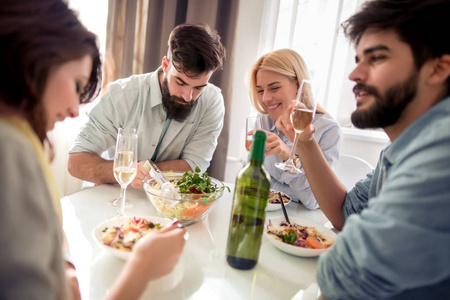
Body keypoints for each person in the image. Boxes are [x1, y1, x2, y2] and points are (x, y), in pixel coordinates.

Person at [0, 1, 186, 299]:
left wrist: (63, 264)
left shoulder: (23, 139)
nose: (75, 110)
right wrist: (142, 267)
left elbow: (37, 230)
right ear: (37, 60)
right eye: (76, 84)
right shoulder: (10, 149)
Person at [276, 0, 450, 298]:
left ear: (438, 68)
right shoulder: (397, 149)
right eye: (358, 59)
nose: (354, 74)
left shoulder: (442, 145)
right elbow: (346, 213)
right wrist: (305, 141)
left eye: (377, 58)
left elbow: (350, 275)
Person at [67, 23, 226, 189]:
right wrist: (128, 171)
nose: (188, 97)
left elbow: (194, 167)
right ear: (165, 65)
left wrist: (148, 171)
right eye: (180, 82)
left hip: (167, 206)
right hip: (110, 199)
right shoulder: (121, 95)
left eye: (199, 87)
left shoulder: (212, 102)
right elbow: (76, 162)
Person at [248, 49, 340, 209]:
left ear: (299, 85)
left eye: (274, 88)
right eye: (260, 90)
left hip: (303, 221)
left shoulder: (328, 129)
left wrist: (287, 157)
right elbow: (255, 181)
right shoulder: (264, 120)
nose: (265, 98)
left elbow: (313, 200)